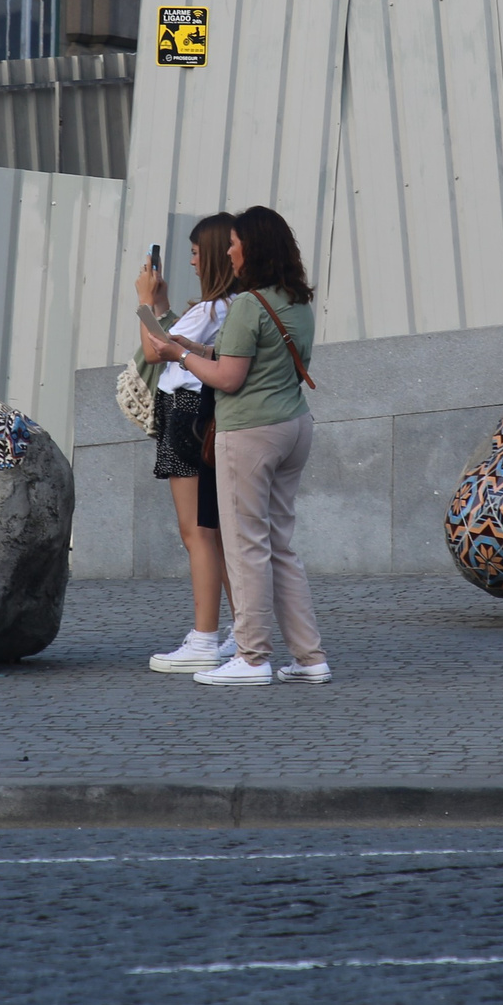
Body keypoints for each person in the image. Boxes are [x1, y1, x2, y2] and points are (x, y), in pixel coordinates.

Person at [155, 204, 329, 687]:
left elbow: (229, 378)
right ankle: (310, 656)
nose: (229, 252)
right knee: (280, 546)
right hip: (294, 425)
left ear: (252, 248)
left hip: (250, 432)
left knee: (244, 546)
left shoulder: (249, 304)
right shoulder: (295, 301)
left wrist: (180, 356)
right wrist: (197, 351)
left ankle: (252, 657)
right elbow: (249, 355)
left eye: (234, 244)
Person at [135, 215, 238, 674]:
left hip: (187, 413)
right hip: (202, 413)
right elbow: (174, 338)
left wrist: (143, 303)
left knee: (197, 532)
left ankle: (204, 637)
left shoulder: (215, 308)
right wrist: (161, 307)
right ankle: (240, 630)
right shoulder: (229, 306)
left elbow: (156, 350)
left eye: (196, 253)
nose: (192, 262)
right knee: (214, 532)